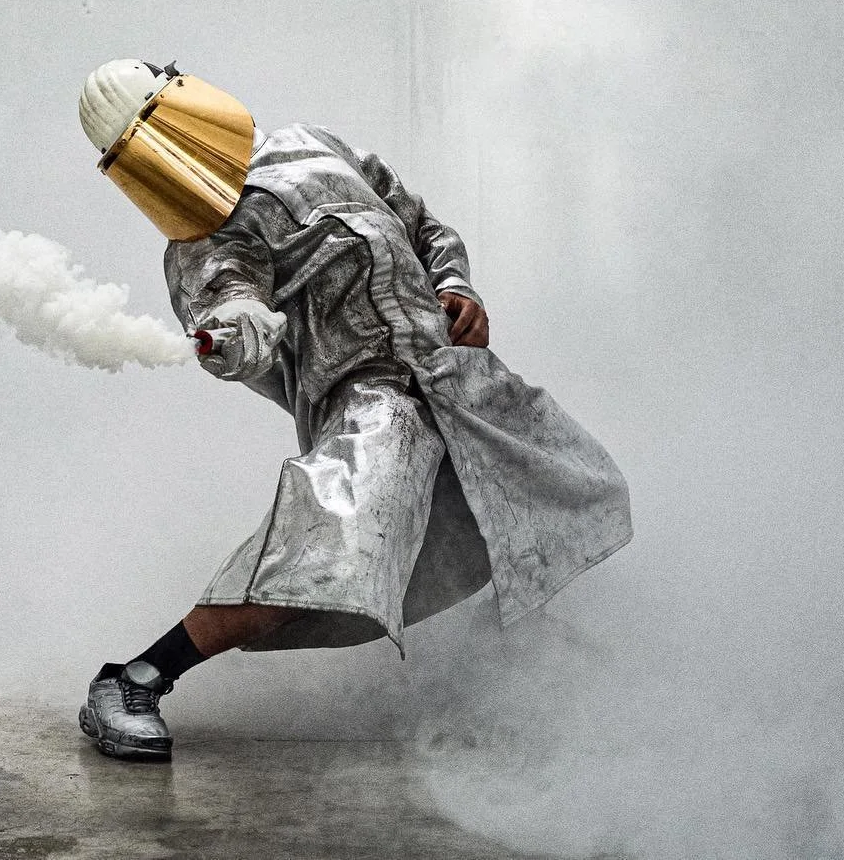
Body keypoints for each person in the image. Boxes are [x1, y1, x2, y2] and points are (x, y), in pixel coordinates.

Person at [75, 59, 632, 763]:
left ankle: (516, 662)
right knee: (323, 558)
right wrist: (239, 332)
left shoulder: (315, 143)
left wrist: (458, 287)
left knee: (561, 494)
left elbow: (421, 224)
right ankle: (134, 679)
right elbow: (230, 309)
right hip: (375, 409)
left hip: (456, 382)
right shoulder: (204, 244)